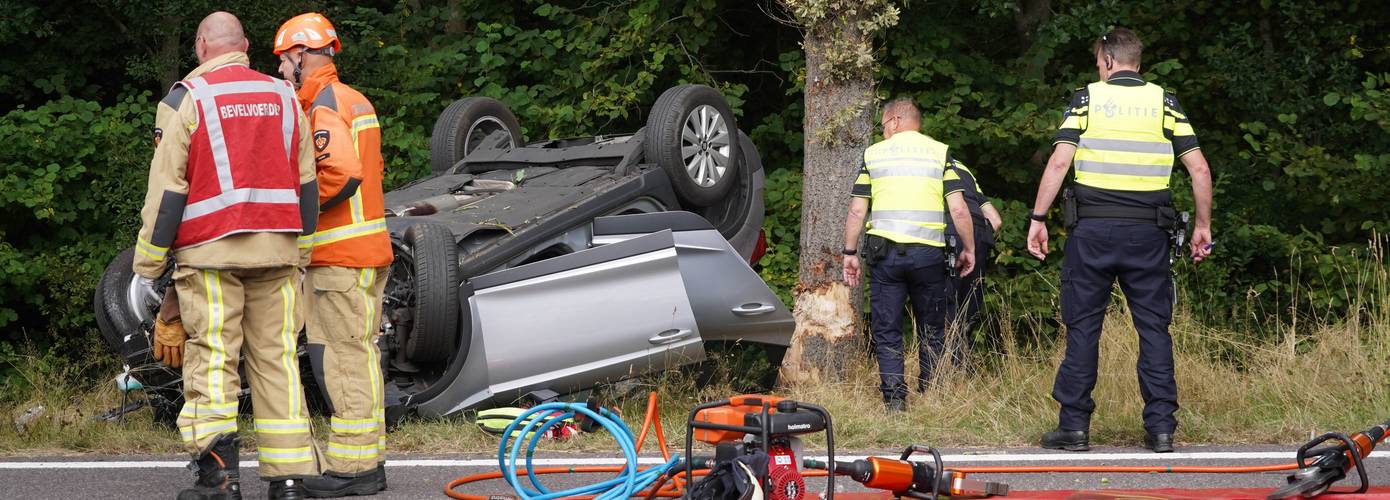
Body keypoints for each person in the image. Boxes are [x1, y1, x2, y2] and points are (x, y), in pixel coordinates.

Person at [133, 11, 320, 500]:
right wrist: (300, 251)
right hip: (278, 254)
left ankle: (219, 480)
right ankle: (290, 481)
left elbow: (168, 192)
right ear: (246, 46)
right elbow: (307, 186)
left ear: (200, 47)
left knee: (214, 360)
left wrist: (149, 264)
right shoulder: (285, 98)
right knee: (277, 360)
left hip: (210, 253)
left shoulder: (189, 101)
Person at [1025, 28, 1213, 453]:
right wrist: (1203, 226)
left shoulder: (1087, 99)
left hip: (1091, 232)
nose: (1097, 68)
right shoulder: (1164, 102)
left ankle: (1074, 429)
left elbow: (1059, 162)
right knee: (1154, 329)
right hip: (1150, 234)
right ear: (1138, 62)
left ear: (1108, 60)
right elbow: (1199, 171)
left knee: (1083, 328)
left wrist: (1038, 218)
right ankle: (1161, 429)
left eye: (1097, 61)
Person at [273, 12, 393, 497]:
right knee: (359, 355)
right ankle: (366, 460)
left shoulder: (322, 106)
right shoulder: (351, 99)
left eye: (283, 61)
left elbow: (340, 175)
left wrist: (293, 209)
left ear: (302, 54)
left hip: (340, 256)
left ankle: (355, 471)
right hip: (362, 253)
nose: (281, 71)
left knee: (344, 359)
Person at [842, 97, 976, 412]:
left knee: (887, 327)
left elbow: (857, 210)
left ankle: (895, 402)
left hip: (885, 256)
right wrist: (968, 248)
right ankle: (931, 393)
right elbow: (958, 207)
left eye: (884, 125)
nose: (883, 131)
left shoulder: (874, 154)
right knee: (932, 325)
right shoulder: (939, 152)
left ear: (896, 120)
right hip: (929, 255)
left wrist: (850, 252)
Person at [943, 161, 1002, 362]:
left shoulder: (927, 161)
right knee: (968, 307)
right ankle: (961, 365)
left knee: (942, 303)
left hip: (949, 227)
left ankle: (941, 369)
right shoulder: (964, 169)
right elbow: (995, 220)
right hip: (979, 232)